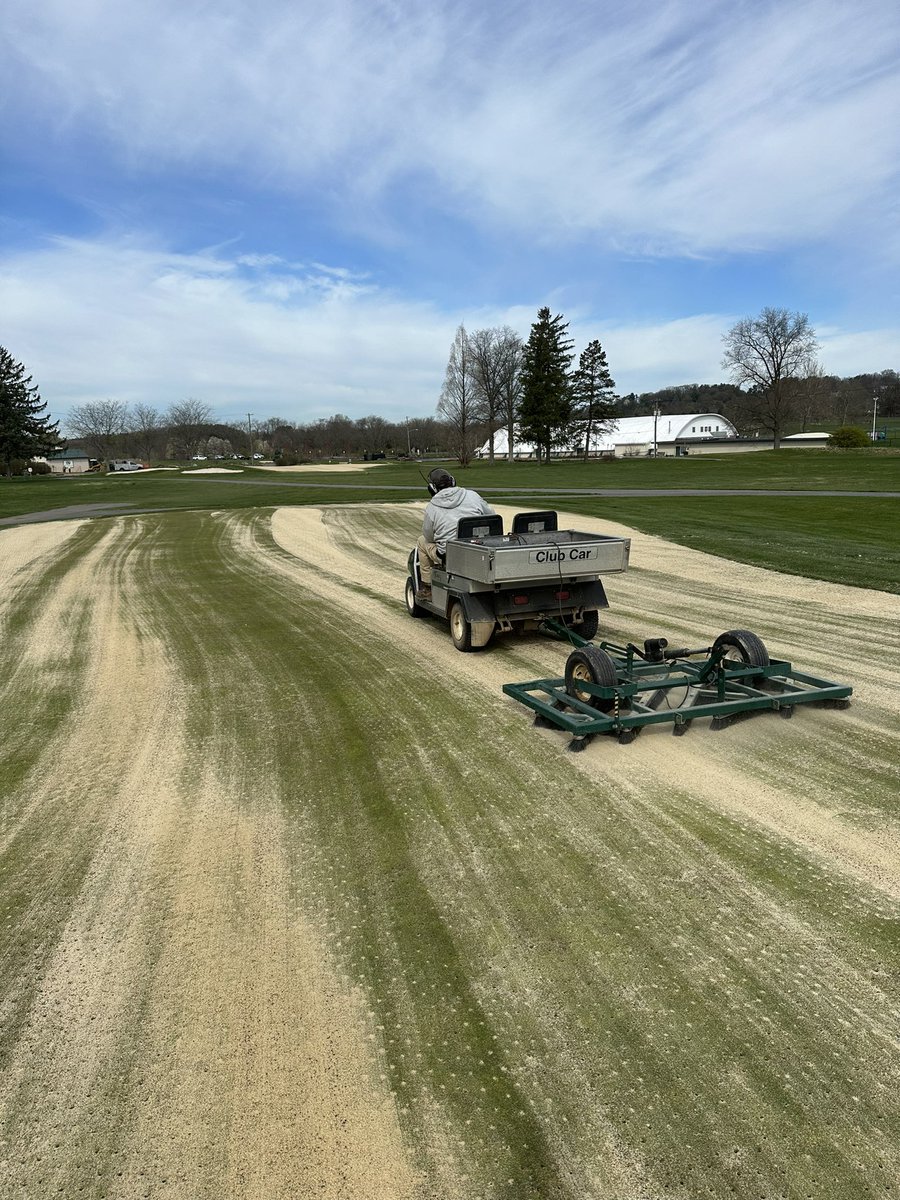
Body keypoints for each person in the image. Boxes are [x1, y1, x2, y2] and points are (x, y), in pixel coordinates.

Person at [416, 468, 495, 599]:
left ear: (432, 489)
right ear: (453, 481)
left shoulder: (432, 507)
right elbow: (492, 516)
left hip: (449, 556)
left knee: (421, 541)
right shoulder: (472, 495)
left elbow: (429, 537)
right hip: (477, 550)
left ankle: (427, 587)